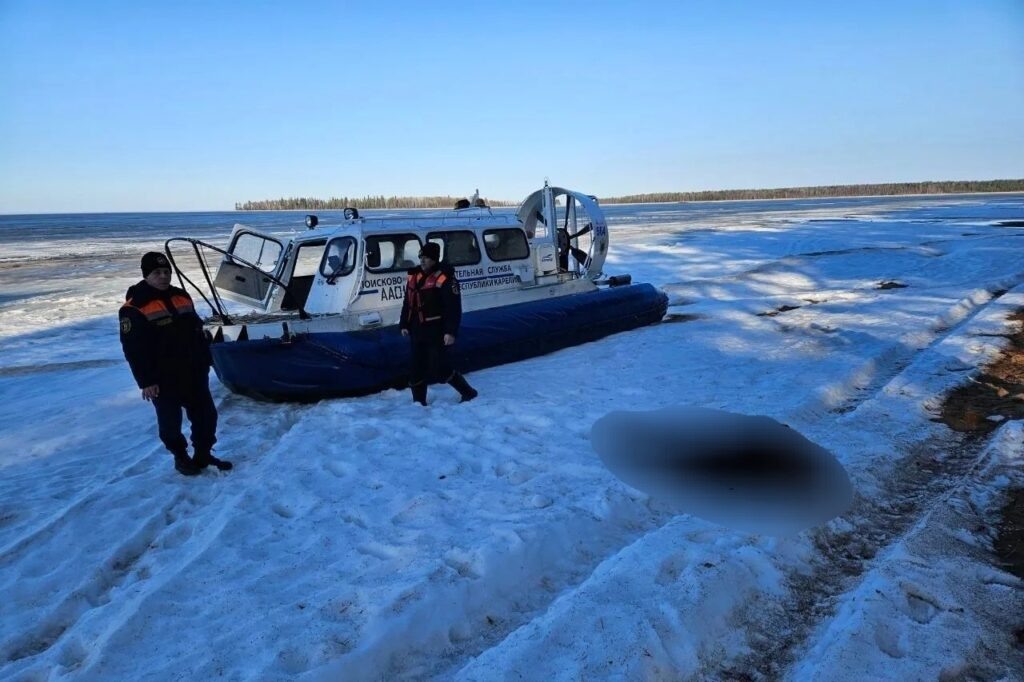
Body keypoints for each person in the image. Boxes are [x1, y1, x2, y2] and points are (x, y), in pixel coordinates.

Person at [119, 252, 233, 476]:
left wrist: (207, 357)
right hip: (163, 378)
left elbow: (196, 328)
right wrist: (146, 381)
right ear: (146, 275)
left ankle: (203, 454)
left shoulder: (181, 295)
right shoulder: (134, 307)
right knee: (170, 424)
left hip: (193, 371)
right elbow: (133, 349)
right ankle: (181, 457)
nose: (163, 276)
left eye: (166, 272)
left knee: (206, 416)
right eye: (157, 273)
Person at [399, 242, 478, 406]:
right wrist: (404, 324)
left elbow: (453, 308)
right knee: (416, 367)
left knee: (440, 368)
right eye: (421, 257)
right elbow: (408, 303)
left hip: (436, 329)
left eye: (426, 258)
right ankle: (419, 403)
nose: (422, 261)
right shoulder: (414, 277)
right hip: (417, 329)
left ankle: (468, 392)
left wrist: (450, 332)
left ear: (434, 260)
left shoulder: (446, 278)